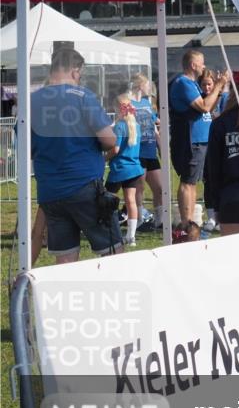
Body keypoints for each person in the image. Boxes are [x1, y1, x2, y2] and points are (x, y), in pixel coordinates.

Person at [30, 48, 122, 263]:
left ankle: (63, 296)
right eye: (80, 73)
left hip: (50, 191)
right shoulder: (82, 97)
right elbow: (109, 140)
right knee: (113, 253)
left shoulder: (31, 101)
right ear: (74, 70)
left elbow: (25, 146)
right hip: (84, 186)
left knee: (65, 258)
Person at [169, 50, 227, 227]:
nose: (204, 66)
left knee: (193, 182)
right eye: (201, 63)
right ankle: (186, 223)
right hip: (189, 140)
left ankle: (191, 221)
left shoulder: (192, 84)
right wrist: (219, 84)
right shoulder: (183, 83)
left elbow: (209, 107)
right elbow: (203, 106)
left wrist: (218, 89)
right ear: (193, 65)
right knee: (188, 181)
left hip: (199, 140)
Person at [204, 72, 239, 235]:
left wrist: (215, 206)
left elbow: (213, 169)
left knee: (235, 257)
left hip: (232, 197)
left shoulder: (220, 123)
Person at [106, 95, 145, 247]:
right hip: (134, 168)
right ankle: (131, 236)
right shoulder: (137, 126)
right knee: (131, 201)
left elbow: (115, 149)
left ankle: (110, 232)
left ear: (118, 108)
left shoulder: (120, 126)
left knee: (108, 202)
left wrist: (104, 158)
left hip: (119, 169)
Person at [130, 73, 164, 230]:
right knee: (139, 188)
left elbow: (154, 127)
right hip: (138, 151)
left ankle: (160, 219)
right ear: (139, 85)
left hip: (151, 151)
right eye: (146, 84)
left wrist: (160, 146)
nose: (149, 87)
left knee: (159, 187)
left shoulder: (147, 103)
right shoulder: (129, 103)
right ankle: (139, 219)